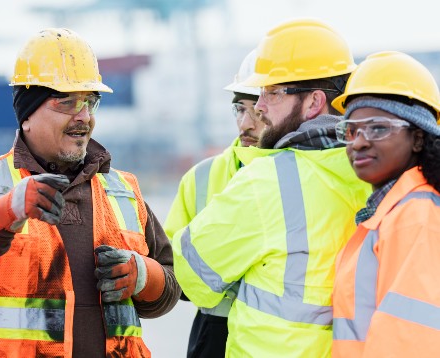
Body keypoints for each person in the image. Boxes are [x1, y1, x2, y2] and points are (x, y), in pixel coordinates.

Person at [0, 28, 181, 357]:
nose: (84, 117)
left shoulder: (123, 190)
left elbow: (171, 285)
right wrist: (5, 213)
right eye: (68, 103)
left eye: (90, 102)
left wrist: (144, 275)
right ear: (27, 114)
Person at [171, 18, 372, 357]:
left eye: (272, 92)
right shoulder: (375, 176)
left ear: (313, 102)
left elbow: (192, 275)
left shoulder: (266, 180)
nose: (260, 107)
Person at [331, 51, 440, 357]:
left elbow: (409, 340)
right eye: (351, 130)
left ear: (418, 138)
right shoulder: (392, 211)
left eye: (378, 127)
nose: (359, 141)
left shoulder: (417, 216)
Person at [163, 49, 262, 358]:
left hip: (281, 339)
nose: (245, 123)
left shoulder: (313, 175)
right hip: (214, 335)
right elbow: (171, 267)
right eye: (239, 109)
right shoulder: (201, 177)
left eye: (257, 110)